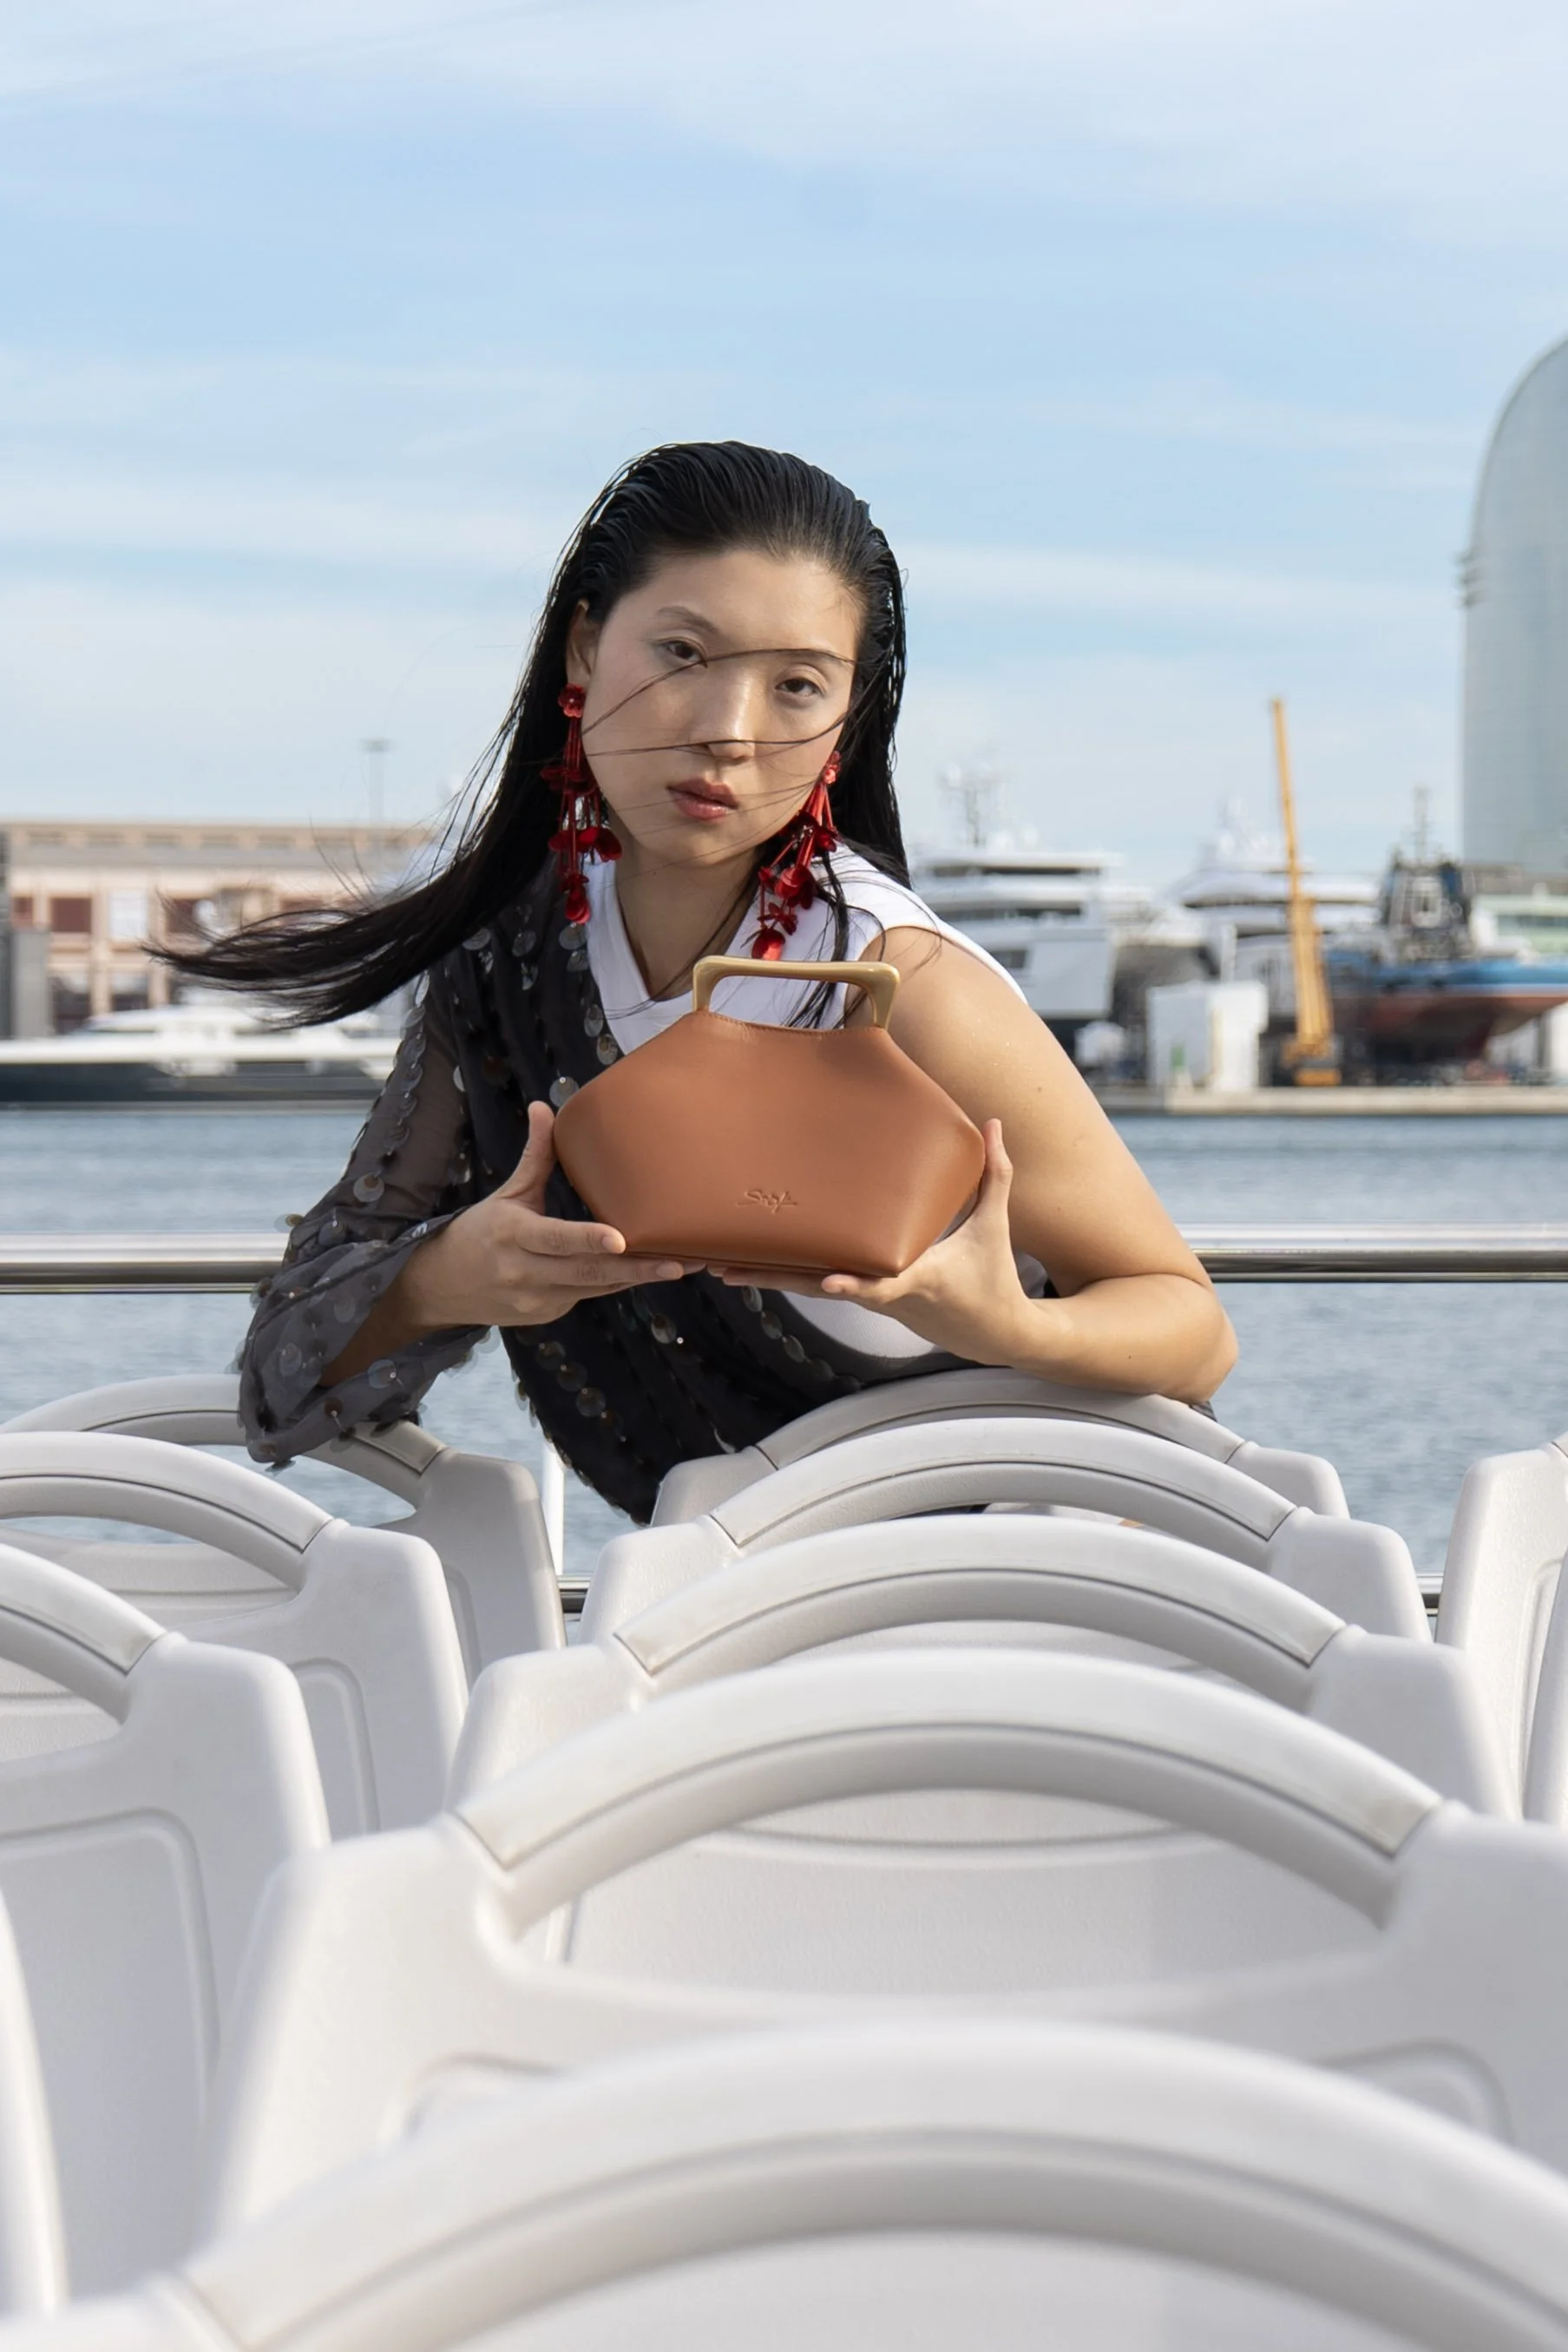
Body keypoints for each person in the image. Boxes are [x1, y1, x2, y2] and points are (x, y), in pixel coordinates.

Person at [169, 441, 1236, 1522]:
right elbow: (283, 1356)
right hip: (729, 1606)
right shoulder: (504, 969)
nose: (729, 731)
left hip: (1036, 1588)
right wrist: (452, 1272)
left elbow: (1189, 1328)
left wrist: (1006, 1325)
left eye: (797, 686)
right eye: (683, 653)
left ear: (845, 721)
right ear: (584, 648)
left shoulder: (896, 980)